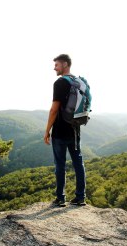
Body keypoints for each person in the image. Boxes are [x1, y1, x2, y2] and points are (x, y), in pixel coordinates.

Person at [44, 54, 86, 207]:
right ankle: (80, 197)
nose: (54, 68)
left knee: (60, 165)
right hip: (75, 130)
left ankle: (60, 198)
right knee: (78, 163)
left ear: (65, 65)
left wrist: (47, 130)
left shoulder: (60, 82)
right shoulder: (78, 82)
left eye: (57, 65)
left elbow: (54, 109)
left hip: (60, 131)